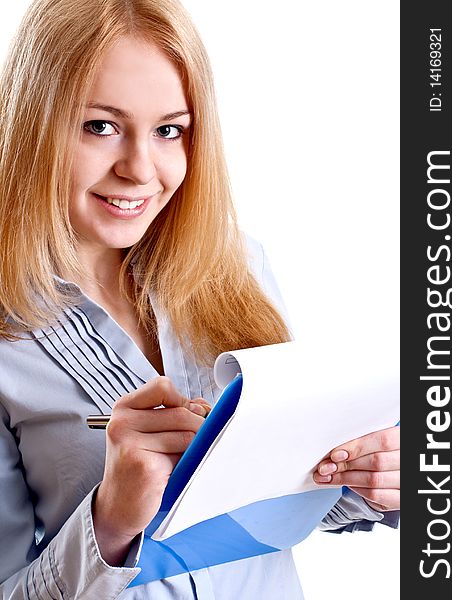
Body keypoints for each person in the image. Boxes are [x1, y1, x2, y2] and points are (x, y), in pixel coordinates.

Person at [0, 0, 400, 598]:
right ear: (32, 123)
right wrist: (109, 522)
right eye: (100, 126)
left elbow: (274, 518)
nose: (141, 169)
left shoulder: (237, 267)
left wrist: (366, 480)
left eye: (170, 130)